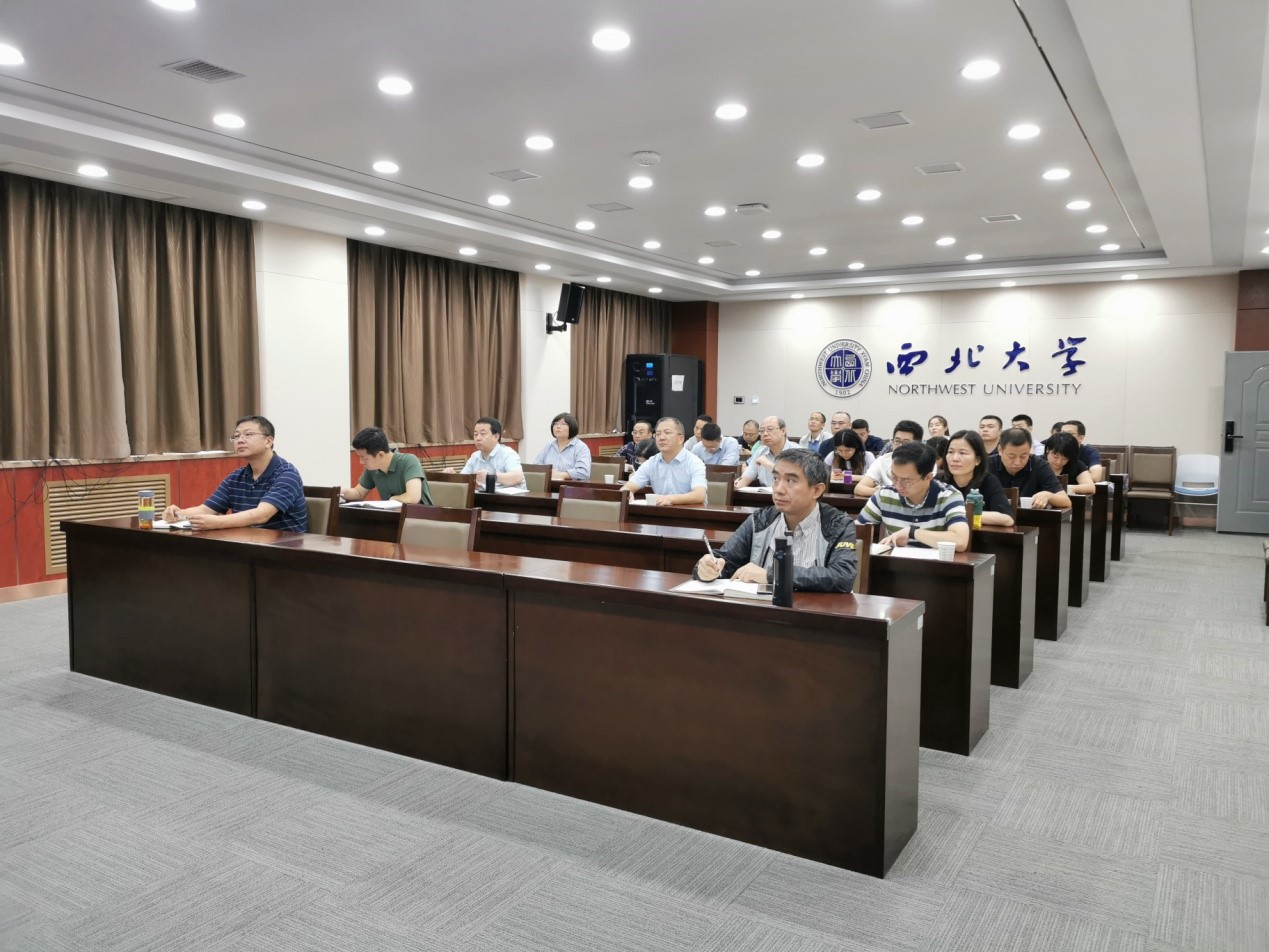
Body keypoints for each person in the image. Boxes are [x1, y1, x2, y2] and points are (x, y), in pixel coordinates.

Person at [694, 449, 858, 592]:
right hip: (763, 612)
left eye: (790, 481)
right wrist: (707, 568)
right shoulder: (760, 520)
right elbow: (725, 560)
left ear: (816, 490)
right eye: (776, 479)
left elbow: (842, 577)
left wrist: (772, 575)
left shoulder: (838, 525)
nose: (778, 489)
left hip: (814, 613)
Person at [163, 414, 307, 531]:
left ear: (268, 441)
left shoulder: (287, 474)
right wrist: (178, 514)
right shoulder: (236, 477)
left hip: (284, 549)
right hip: (247, 544)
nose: (240, 440)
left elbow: (261, 515)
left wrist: (217, 522)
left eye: (248, 434)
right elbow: (206, 510)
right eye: (236, 436)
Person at [857, 441, 970, 551]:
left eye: (906, 481)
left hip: (936, 563)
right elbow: (856, 530)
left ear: (928, 477)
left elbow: (960, 541)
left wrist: (912, 532)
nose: (898, 486)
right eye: (894, 477)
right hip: (895, 561)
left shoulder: (949, 496)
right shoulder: (884, 495)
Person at [622, 417, 707, 506]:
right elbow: (627, 487)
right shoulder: (652, 462)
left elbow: (699, 495)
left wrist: (669, 499)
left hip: (689, 512)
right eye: (658, 434)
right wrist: (627, 492)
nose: (661, 438)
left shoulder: (694, 462)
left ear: (680, 439)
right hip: (660, 511)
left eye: (667, 433)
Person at [940, 430, 1015, 525]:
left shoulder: (988, 481)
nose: (955, 458)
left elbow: (1007, 519)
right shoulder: (939, 481)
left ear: (978, 460)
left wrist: (960, 513)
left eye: (962, 453)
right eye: (950, 452)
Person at [342, 426, 431, 505]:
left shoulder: (409, 461)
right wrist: (338, 492)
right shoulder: (373, 468)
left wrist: (392, 499)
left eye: (364, 458)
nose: (361, 462)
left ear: (380, 455)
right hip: (394, 516)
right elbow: (358, 493)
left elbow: (412, 498)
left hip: (420, 516)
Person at [989, 427, 1070, 509]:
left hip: (1028, 515)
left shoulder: (1039, 465)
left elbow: (1066, 501)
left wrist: (1048, 495)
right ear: (1000, 450)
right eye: (1011, 456)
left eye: (1023, 456)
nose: (1017, 462)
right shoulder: (987, 465)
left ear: (1030, 450)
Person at [445, 416, 526, 489]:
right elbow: (464, 478)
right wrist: (452, 476)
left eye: (483, 434)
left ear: (496, 436)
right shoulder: (475, 456)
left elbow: (518, 477)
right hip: (485, 497)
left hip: (511, 499)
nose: (478, 438)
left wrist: (491, 477)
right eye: (475, 434)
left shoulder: (507, 454)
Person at [853, 420, 924, 498]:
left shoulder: (925, 462)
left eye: (906, 443)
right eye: (897, 441)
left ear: (918, 445)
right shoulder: (882, 461)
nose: (900, 446)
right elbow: (859, 488)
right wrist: (882, 492)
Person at [735, 416, 800, 488]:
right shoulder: (760, 451)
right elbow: (746, 478)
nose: (765, 434)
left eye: (770, 429)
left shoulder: (798, 452)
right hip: (764, 494)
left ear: (783, 431)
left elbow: (794, 479)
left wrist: (768, 464)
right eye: (762, 431)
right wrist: (736, 485)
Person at [533, 412, 591, 481]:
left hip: (571, 486)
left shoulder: (581, 447)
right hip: (548, 485)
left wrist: (561, 475)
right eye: (555, 424)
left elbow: (584, 472)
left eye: (563, 424)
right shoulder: (549, 446)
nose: (558, 427)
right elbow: (536, 466)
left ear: (572, 427)